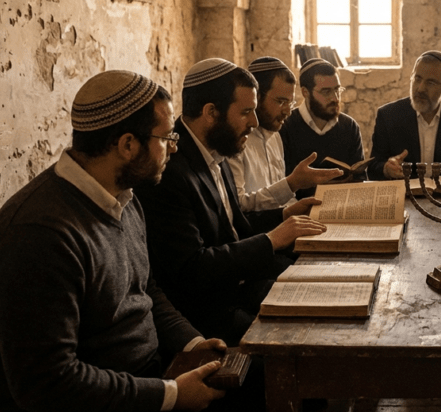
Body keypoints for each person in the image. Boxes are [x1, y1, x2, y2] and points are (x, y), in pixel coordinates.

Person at [0, 71, 226, 412]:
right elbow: (48, 385)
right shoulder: (38, 234)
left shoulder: (124, 197)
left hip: (142, 382)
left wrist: (191, 344)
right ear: (127, 145)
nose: (174, 148)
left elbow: (144, 291)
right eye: (167, 137)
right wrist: (171, 395)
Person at [136, 59, 328, 344]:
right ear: (211, 112)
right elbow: (192, 270)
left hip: (237, 289)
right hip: (205, 312)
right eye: (246, 112)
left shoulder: (216, 148)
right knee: (299, 340)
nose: (254, 122)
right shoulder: (170, 171)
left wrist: (284, 216)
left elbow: (233, 225)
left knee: (318, 295)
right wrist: (272, 240)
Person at [229, 56, 343, 212]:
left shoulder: (275, 136)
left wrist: (306, 209)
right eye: (281, 102)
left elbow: (282, 200)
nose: (288, 111)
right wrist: (292, 184)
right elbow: (238, 207)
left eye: (291, 103)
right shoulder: (236, 140)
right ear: (257, 97)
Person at [367, 50, 441, 181]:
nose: (420, 89)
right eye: (417, 79)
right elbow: (372, 169)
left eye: (430, 83)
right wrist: (387, 169)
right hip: (405, 193)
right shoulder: (388, 116)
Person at [280, 58, 365, 198]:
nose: (335, 98)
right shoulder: (286, 126)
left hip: (343, 206)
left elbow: (360, 178)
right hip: (301, 209)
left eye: (337, 90)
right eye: (326, 91)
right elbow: (281, 186)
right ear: (305, 92)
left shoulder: (349, 127)